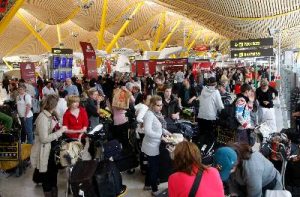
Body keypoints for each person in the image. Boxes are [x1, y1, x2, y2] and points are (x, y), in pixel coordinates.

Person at [30, 94, 67, 197]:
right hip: (45, 152)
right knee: (46, 179)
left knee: (53, 176)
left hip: (53, 150)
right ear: (53, 105)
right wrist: (60, 131)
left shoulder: (52, 114)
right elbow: (44, 139)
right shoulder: (43, 117)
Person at [213, 144, 282, 197]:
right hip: (245, 182)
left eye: (229, 170)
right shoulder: (227, 152)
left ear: (235, 164)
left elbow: (255, 195)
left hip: (269, 185)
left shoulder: (252, 169)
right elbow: (230, 178)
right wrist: (233, 192)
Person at [141, 95, 170, 195]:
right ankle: (154, 190)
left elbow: (158, 127)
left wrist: (166, 132)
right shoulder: (149, 115)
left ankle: (147, 184)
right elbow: (148, 131)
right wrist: (161, 136)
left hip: (154, 144)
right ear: (152, 105)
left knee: (151, 167)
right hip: (151, 147)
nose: (160, 107)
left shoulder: (156, 114)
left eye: (161, 105)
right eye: (158, 105)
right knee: (154, 168)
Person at [197, 77, 224, 146]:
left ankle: (200, 147)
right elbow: (220, 106)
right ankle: (207, 150)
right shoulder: (216, 92)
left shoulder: (203, 89)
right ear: (215, 84)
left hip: (200, 115)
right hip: (210, 117)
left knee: (201, 134)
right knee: (209, 136)